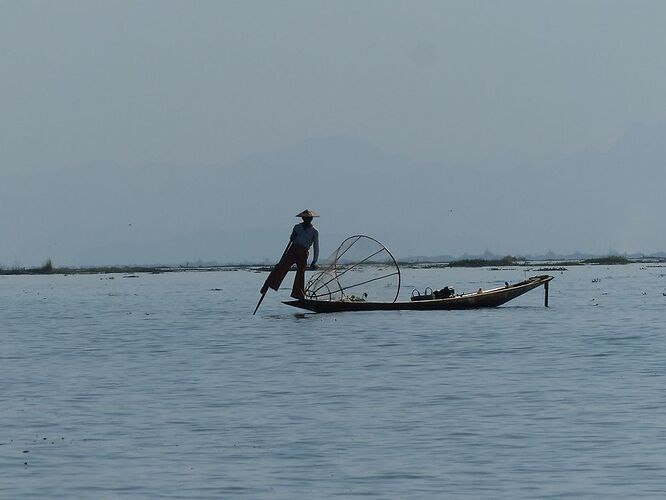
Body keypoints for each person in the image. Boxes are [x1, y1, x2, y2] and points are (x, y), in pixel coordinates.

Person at [260, 209, 320, 299]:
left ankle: (298, 294)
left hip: (303, 252)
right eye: (304, 218)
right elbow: (292, 238)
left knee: (300, 273)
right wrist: (292, 237)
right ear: (302, 219)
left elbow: (316, 246)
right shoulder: (297, 227)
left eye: (308, 218)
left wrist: (314, 261)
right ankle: (268, 285)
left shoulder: (314, 232)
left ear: (311, 219)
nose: (306, 220)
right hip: (293, 249)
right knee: (281, 266)